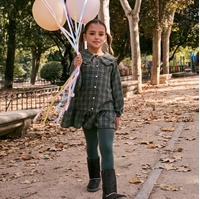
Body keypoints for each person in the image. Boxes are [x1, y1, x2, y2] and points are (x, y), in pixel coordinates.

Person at [61, 19, 127, 199]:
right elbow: (76, 87)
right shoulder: (79, 58)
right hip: (86, 110)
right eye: (92, 33)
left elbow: (116, 88)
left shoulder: (111, 61)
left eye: (100, 34)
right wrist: (76, 68)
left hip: (106, 110)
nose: (96, 37)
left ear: (105, 37)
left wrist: (118, 113)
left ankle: (110, 191)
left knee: (106, 147)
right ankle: (95, 176)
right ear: (84, 36)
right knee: (91, 146)